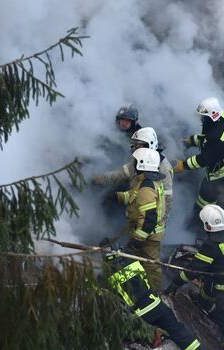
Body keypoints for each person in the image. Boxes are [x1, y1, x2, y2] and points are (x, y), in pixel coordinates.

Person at [164, 204, 224, 350]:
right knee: (209, 282)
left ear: (208, 226)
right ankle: (204, 303)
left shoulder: (212, 245)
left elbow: (195, 269)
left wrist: (175, 283)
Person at [100, 239, 202, 350]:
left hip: (140, 316)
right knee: (178, 331)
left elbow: (105, 301)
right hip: (158, 306)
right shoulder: (134, 264)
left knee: (122, 337)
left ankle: (155, 336)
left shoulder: (104, 277)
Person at [108, 148, 166, 290]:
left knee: (150, 266)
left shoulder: (146, 188)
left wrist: (137, 240)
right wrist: (119, 196)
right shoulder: (147, 182)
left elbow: (149, 219)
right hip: (147, 233)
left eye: (135, 162)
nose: (133, 164)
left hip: (148, 236)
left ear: (141, 164)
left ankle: (157, 293)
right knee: (139, 263)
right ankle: (144, 290)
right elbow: (134, 195)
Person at [174, 97, 224, 209]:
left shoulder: (216, 136)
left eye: (203, 117)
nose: (201, 120)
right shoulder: (219, 122)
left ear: (212, 116)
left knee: (206, 197)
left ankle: (200, 217)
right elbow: (207, 140)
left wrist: (183, 165)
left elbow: (204, 159)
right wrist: (192, 140)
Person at [92, 127, 174, 216]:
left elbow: (167, 199)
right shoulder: (139, 158)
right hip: (136, 208)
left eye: (139, 145)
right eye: (136, 144)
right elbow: (121, 174)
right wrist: (101, 179)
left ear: (149, 145)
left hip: (149, 216)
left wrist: (157, 222)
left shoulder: (163, 167)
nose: (136, 147)